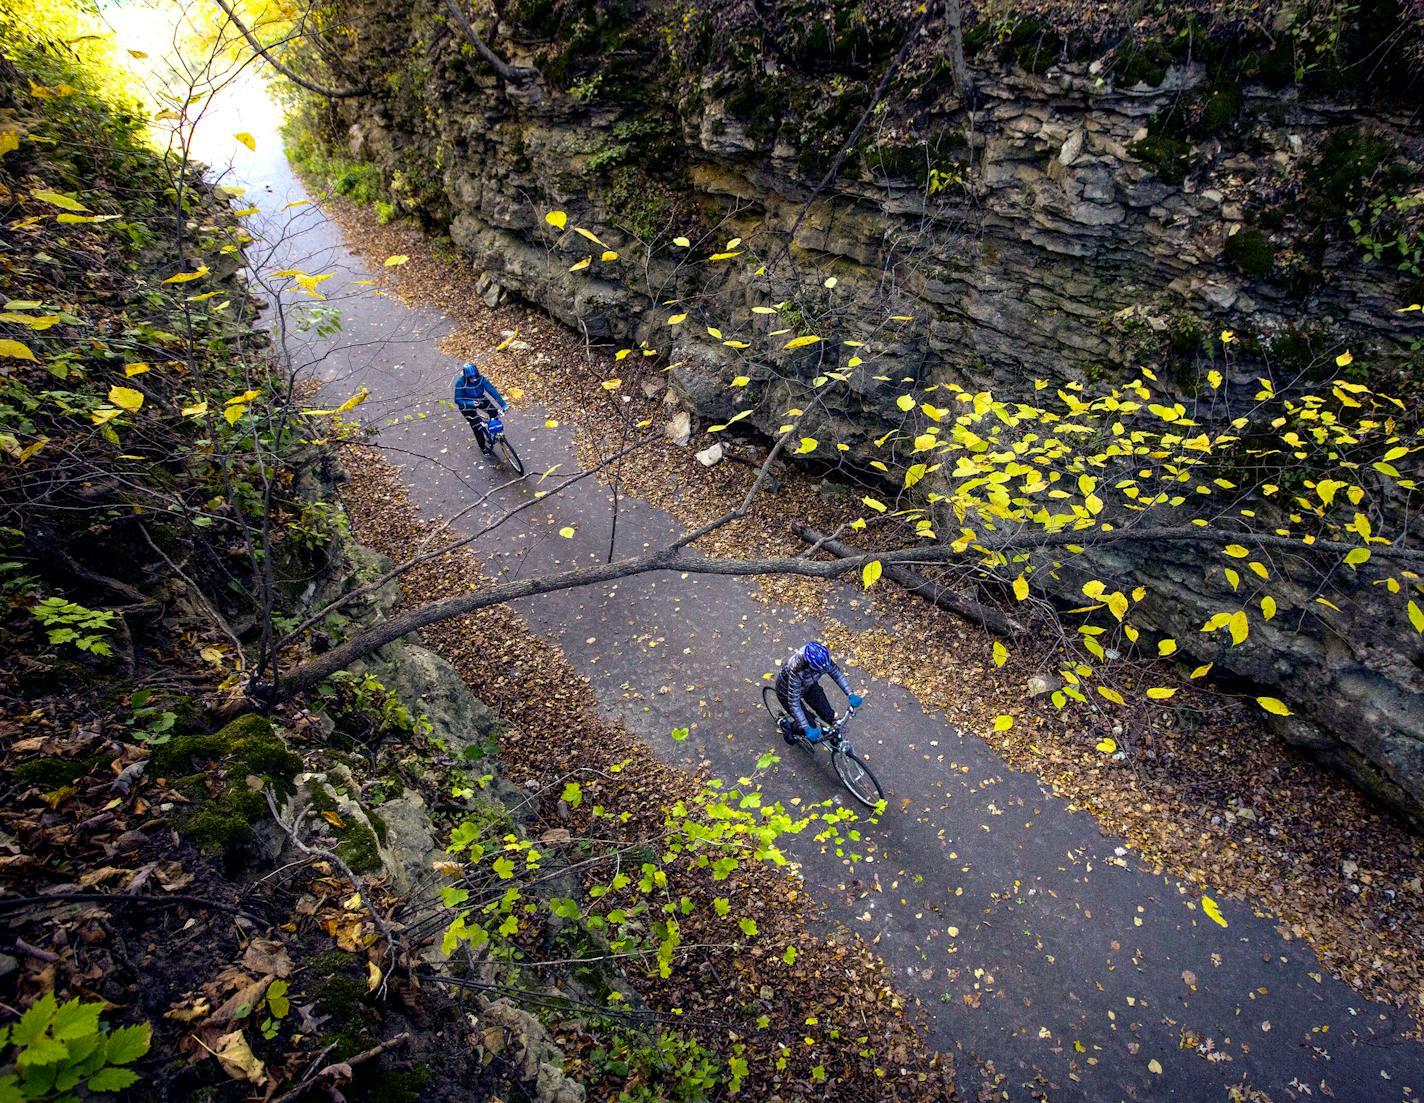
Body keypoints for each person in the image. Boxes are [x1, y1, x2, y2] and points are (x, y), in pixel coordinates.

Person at [774, 640, 863, 746]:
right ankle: (787, 727)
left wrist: (850, 693)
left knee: (828, 714)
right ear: (809, 665)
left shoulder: (821, 658)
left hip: (809, 685)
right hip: (787, 692)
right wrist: (807, 728)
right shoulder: (796, 669)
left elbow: (836, 673)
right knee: (809, 724)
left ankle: (829, 734)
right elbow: (794, 703)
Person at [453, 361, 508, 454]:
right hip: (466, 404)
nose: (473, 379)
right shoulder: (460, 382)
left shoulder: (482, 379)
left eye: (475, 377)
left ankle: (492, 431)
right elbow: (457, 400)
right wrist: (470, 403)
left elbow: (492, 391)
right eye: (471, 378)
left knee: (494, 412)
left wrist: (503, 405)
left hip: (480, 399)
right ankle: (483, 447)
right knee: (477, 427)